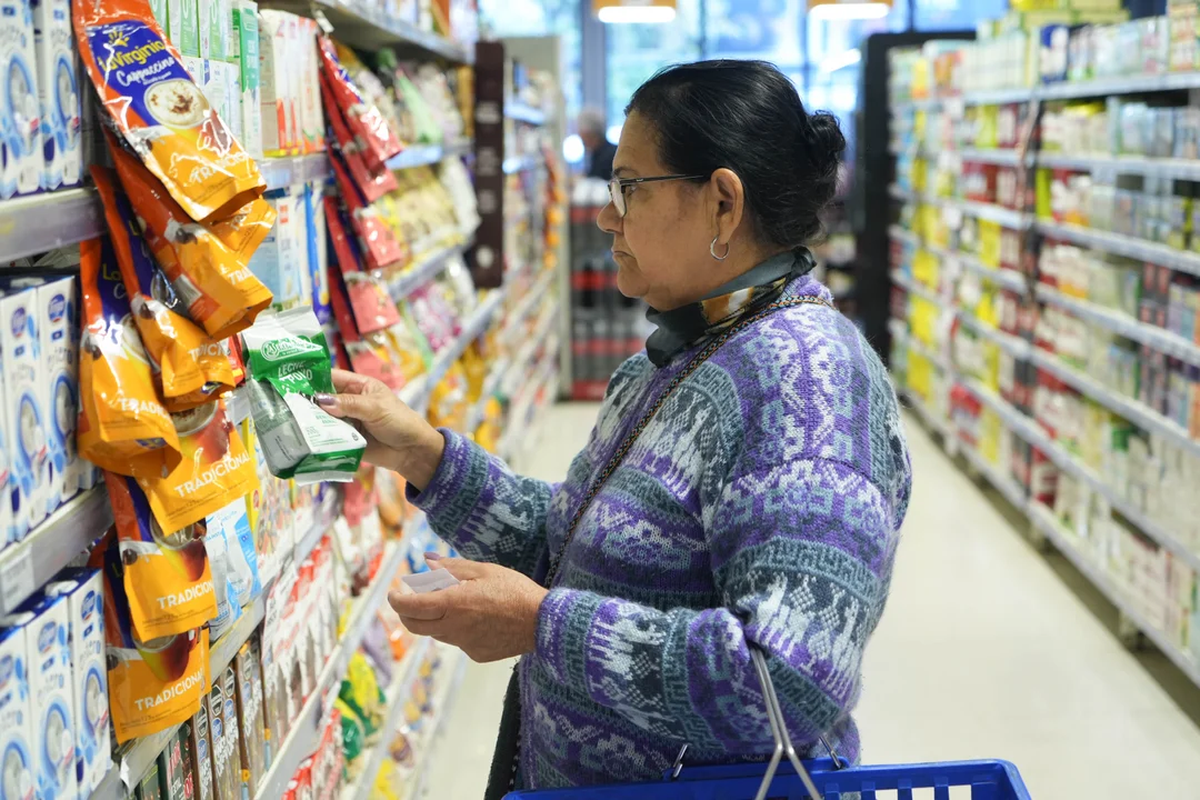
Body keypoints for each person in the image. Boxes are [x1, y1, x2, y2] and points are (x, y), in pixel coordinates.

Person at [317, 60, 912, 796]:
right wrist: (428, 457)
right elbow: (581, 550)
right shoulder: (687, 350)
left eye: (629, 187)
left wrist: (543, 627)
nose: (606, 216)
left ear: (723, 204)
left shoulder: (808, 387)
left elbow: (786, 682)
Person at [579, 106, 617, 180]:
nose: (583, 143)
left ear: (591, 135)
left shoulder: (609, 156)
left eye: (583, 139)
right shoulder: (595, 153)